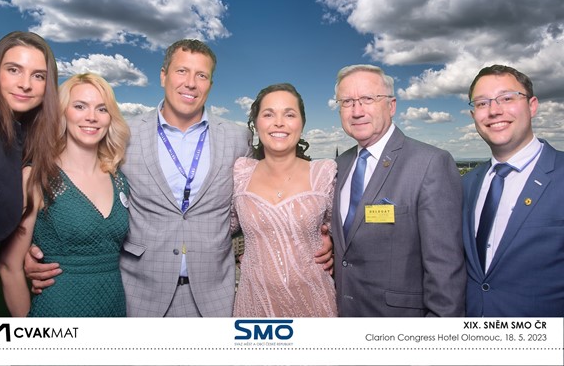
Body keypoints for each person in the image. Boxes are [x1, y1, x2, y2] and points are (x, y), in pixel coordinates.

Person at [26, 39, 333, 317]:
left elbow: (259, 198)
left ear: (210, 84)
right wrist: (33, 246)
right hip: (140, 294)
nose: (190, 83)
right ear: (163, 76)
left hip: (215, 296)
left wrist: (318, 236)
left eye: (201, 75)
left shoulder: (237, 138)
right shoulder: (124, 133)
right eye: (182, 71)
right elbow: (83, 185)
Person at [331, 64, 466, 317]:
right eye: (347, 102)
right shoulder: (338, 166)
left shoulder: (430, 163)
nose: (357, 111)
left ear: (391, 106)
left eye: (368, 99)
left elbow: (445, 268)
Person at [0, 73, 131, 317]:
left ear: (110, 117)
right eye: (80, 106)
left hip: (114, 310)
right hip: (57, 312)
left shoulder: (119, 180)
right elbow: (9, 267)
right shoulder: (36, 176)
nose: (91, 116)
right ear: (62, 113)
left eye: (102, 109)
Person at [0, 31, 60, 317]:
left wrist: (24, 248)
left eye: (38, 76)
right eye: (14, 69)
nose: (25, 84)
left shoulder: (20, 138)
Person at [463, 65, 564, 317]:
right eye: (482, 103)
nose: (494, 110)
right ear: (474, 115)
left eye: (507, 98)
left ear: (532, 106)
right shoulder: (466, 184)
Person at [231, 83, 337, 317]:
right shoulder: (241, 172)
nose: (279, 122)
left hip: (315, 304)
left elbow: (342, 231)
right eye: (268, 114)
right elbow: (220, 226)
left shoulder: (324, 173)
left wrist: (334, 248)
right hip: (255, 305)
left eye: (289, 114)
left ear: (302, 123)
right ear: (256, 123)